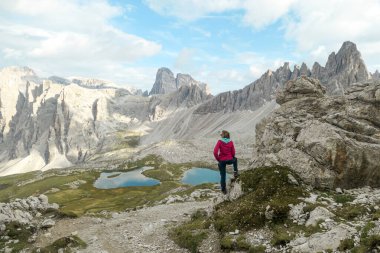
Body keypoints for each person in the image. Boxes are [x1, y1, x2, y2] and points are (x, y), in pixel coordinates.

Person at [213, 130, 238, 194]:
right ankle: (235, 172)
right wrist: (231, 157)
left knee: (223, 175)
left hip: (222, 161)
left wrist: (219, 159)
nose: (220, 135)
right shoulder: (231, 142)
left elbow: (215, 152)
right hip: (230, 159)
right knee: (235, 159)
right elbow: (233, 152)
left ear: (223, 135)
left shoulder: (219, 142)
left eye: (221, 135)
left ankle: (223, 190)